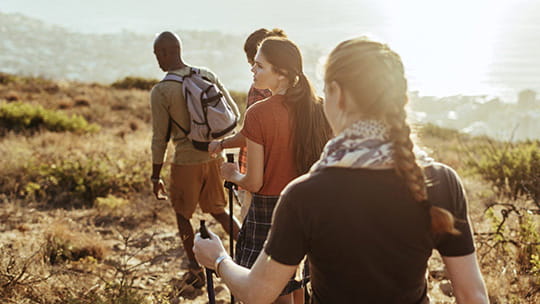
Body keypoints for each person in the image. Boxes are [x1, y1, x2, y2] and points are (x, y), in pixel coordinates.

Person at [193, 37, 489, 303]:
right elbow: (472, 294)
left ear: (336, 94)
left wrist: (217, 258)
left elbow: (258, 293)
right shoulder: (440, 180)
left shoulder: (304, 195)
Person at [210, 36, 332, 304]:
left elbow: (254, 182)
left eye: (260, 66)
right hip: (314, 209)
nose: (252, 70)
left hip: (270, 212)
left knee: (272, 291)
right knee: (299, 283)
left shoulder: (258, 113)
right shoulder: (320, 107)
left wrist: (231, 175)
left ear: (282, 74)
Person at [149, 31, 241, 289]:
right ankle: (250, 254)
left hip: (186, 160)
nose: (157, 60)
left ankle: (195, 269)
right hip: (214, 155)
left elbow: (160, 138)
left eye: (158, 54)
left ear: (167, 52)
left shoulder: (162, 90)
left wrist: (155, 175)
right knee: (219, 210)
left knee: (182, 214)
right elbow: (232, 112)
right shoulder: (206, 75)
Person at [208, 28, 287, 222]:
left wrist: (222, 146)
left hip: (257, 180)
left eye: (255, 64)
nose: (252, 69)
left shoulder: (259, 94)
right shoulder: (307, 99)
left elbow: (252, 136)